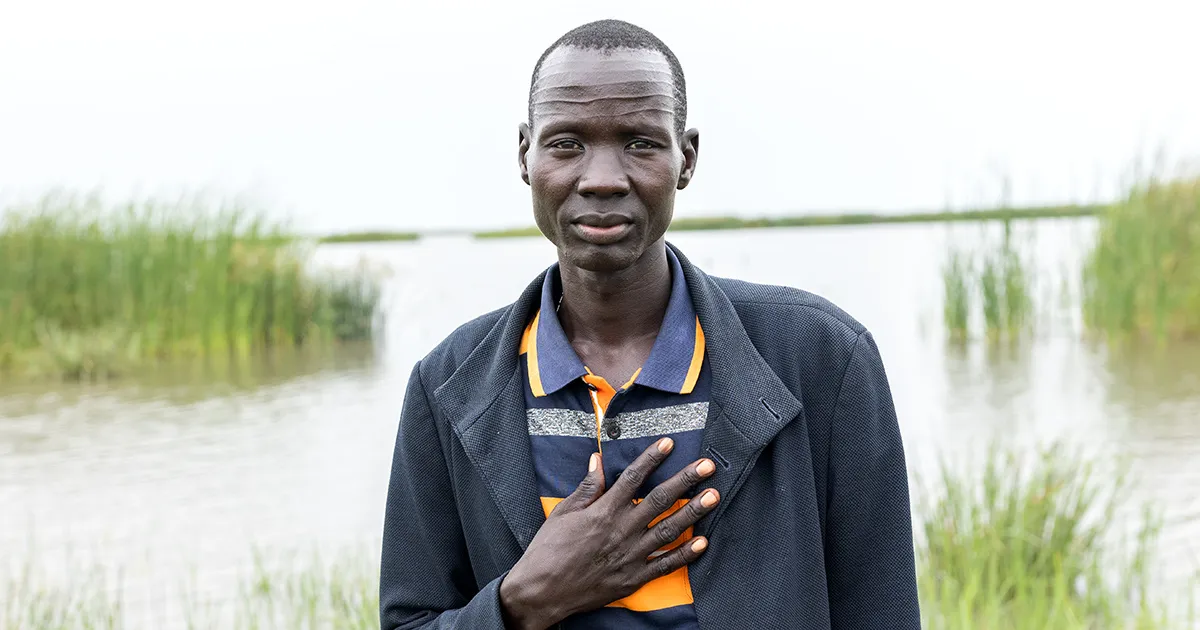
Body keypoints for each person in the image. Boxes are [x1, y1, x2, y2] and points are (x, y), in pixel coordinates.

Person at [379, 19, 920, 630]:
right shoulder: (448, 387)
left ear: (685, 158)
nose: (603, 177)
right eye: (566, 143)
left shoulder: (822, 358)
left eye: (639, 142)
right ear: (524, 156)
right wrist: (522, 601)